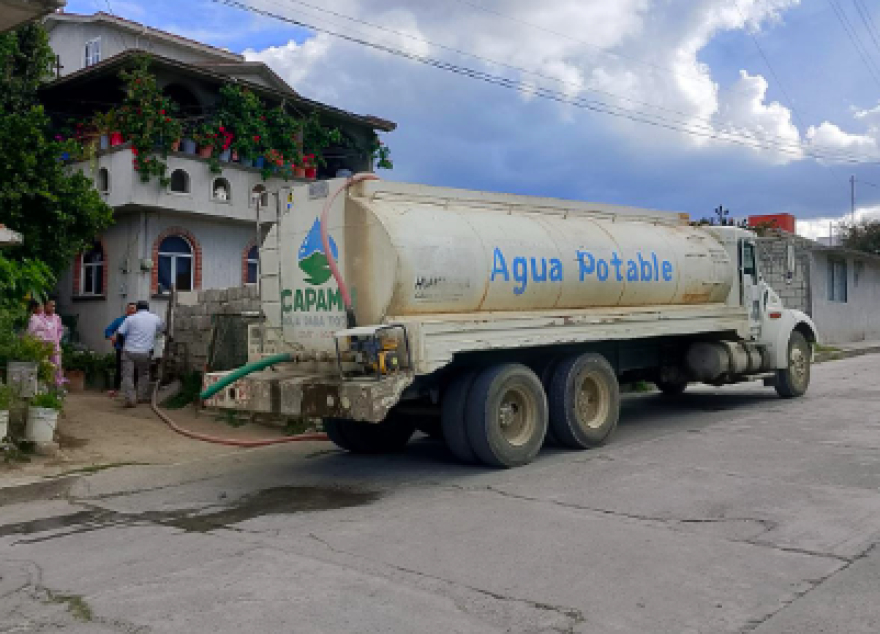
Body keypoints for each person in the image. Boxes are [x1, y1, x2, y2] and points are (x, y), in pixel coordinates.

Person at [112, 300, 163, 407]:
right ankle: (140, 397)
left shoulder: (130, 318)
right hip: (145, 352)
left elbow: (120, 333)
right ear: (148, 308)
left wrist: (121, 347)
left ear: (137, 308)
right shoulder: (155, 318)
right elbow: (162, 331)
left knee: (127, 376)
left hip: (129, 351)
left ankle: (130, 399)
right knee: (144, 374)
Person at [104, 302, 137, 397]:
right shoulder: (120, 320)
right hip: (121, 348)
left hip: (134, 348)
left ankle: (133, 391)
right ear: (127, 310)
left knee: (134, 369)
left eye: (134, 309)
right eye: (130, 308)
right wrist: (112, 337)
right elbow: (108, 330)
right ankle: (115, 389)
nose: (132, 310)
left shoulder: (138, 321)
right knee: (119, 369)